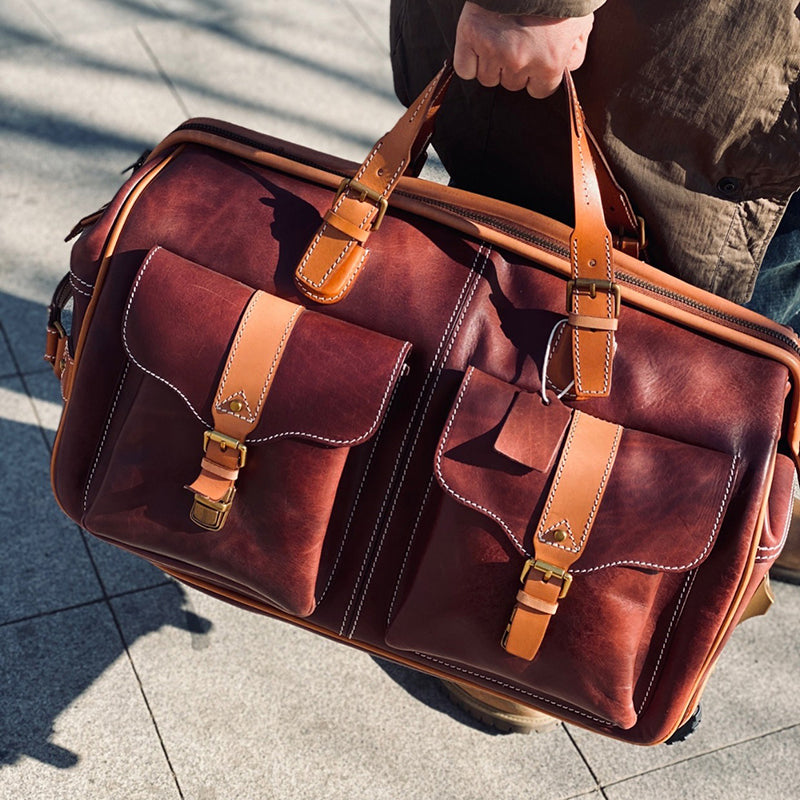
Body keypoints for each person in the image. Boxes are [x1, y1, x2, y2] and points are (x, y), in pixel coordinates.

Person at [389, 0, 800, 733]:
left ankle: (743, 521)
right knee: (585, 329)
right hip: (680, 59)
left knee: (765, 327)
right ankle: (527, 603)